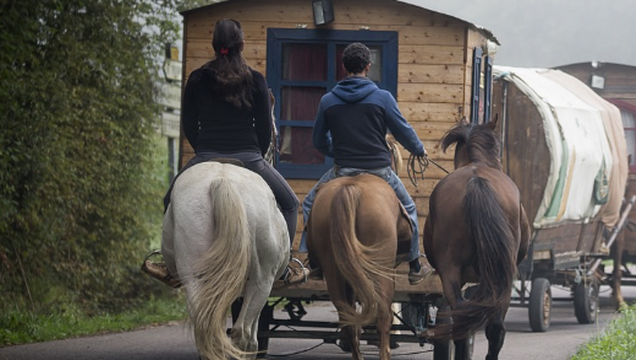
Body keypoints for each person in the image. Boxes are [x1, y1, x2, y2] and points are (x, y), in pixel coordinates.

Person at [150, 19, 305, 285]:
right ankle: (284, 265)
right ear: (242, 45)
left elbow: (189, 124)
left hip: (206, 154)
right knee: (291, 203)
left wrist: (204, 152)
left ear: (214, 45)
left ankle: (169, 265)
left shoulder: (198, 78)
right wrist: (253, 151)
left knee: (169, 200)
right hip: (249, 157)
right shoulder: (255, 80)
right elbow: (265, 130)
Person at [300, 42, 433, 285]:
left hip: (342, 170)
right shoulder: (382, 98)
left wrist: (336, 149)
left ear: (344, 67)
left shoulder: (328, 101)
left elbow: (318, 141)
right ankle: (414, 265)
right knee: (410, 208)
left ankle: (315, 261)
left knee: (309, 204)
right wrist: (418, 149)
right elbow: (402, 130)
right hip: (380, 172)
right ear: (368, 67)